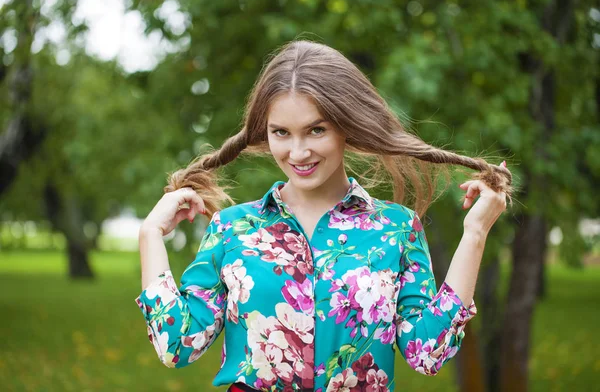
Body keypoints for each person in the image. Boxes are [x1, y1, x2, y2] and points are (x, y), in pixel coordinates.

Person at [135, 40, 514, 392]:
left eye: (316, 130)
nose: (298, 152)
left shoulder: (396, 230)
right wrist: (151, 233)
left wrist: (475, 233)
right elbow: (176, 346)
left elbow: (427, 352)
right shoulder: (232, 229)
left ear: (345, 126)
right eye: (281, 132)